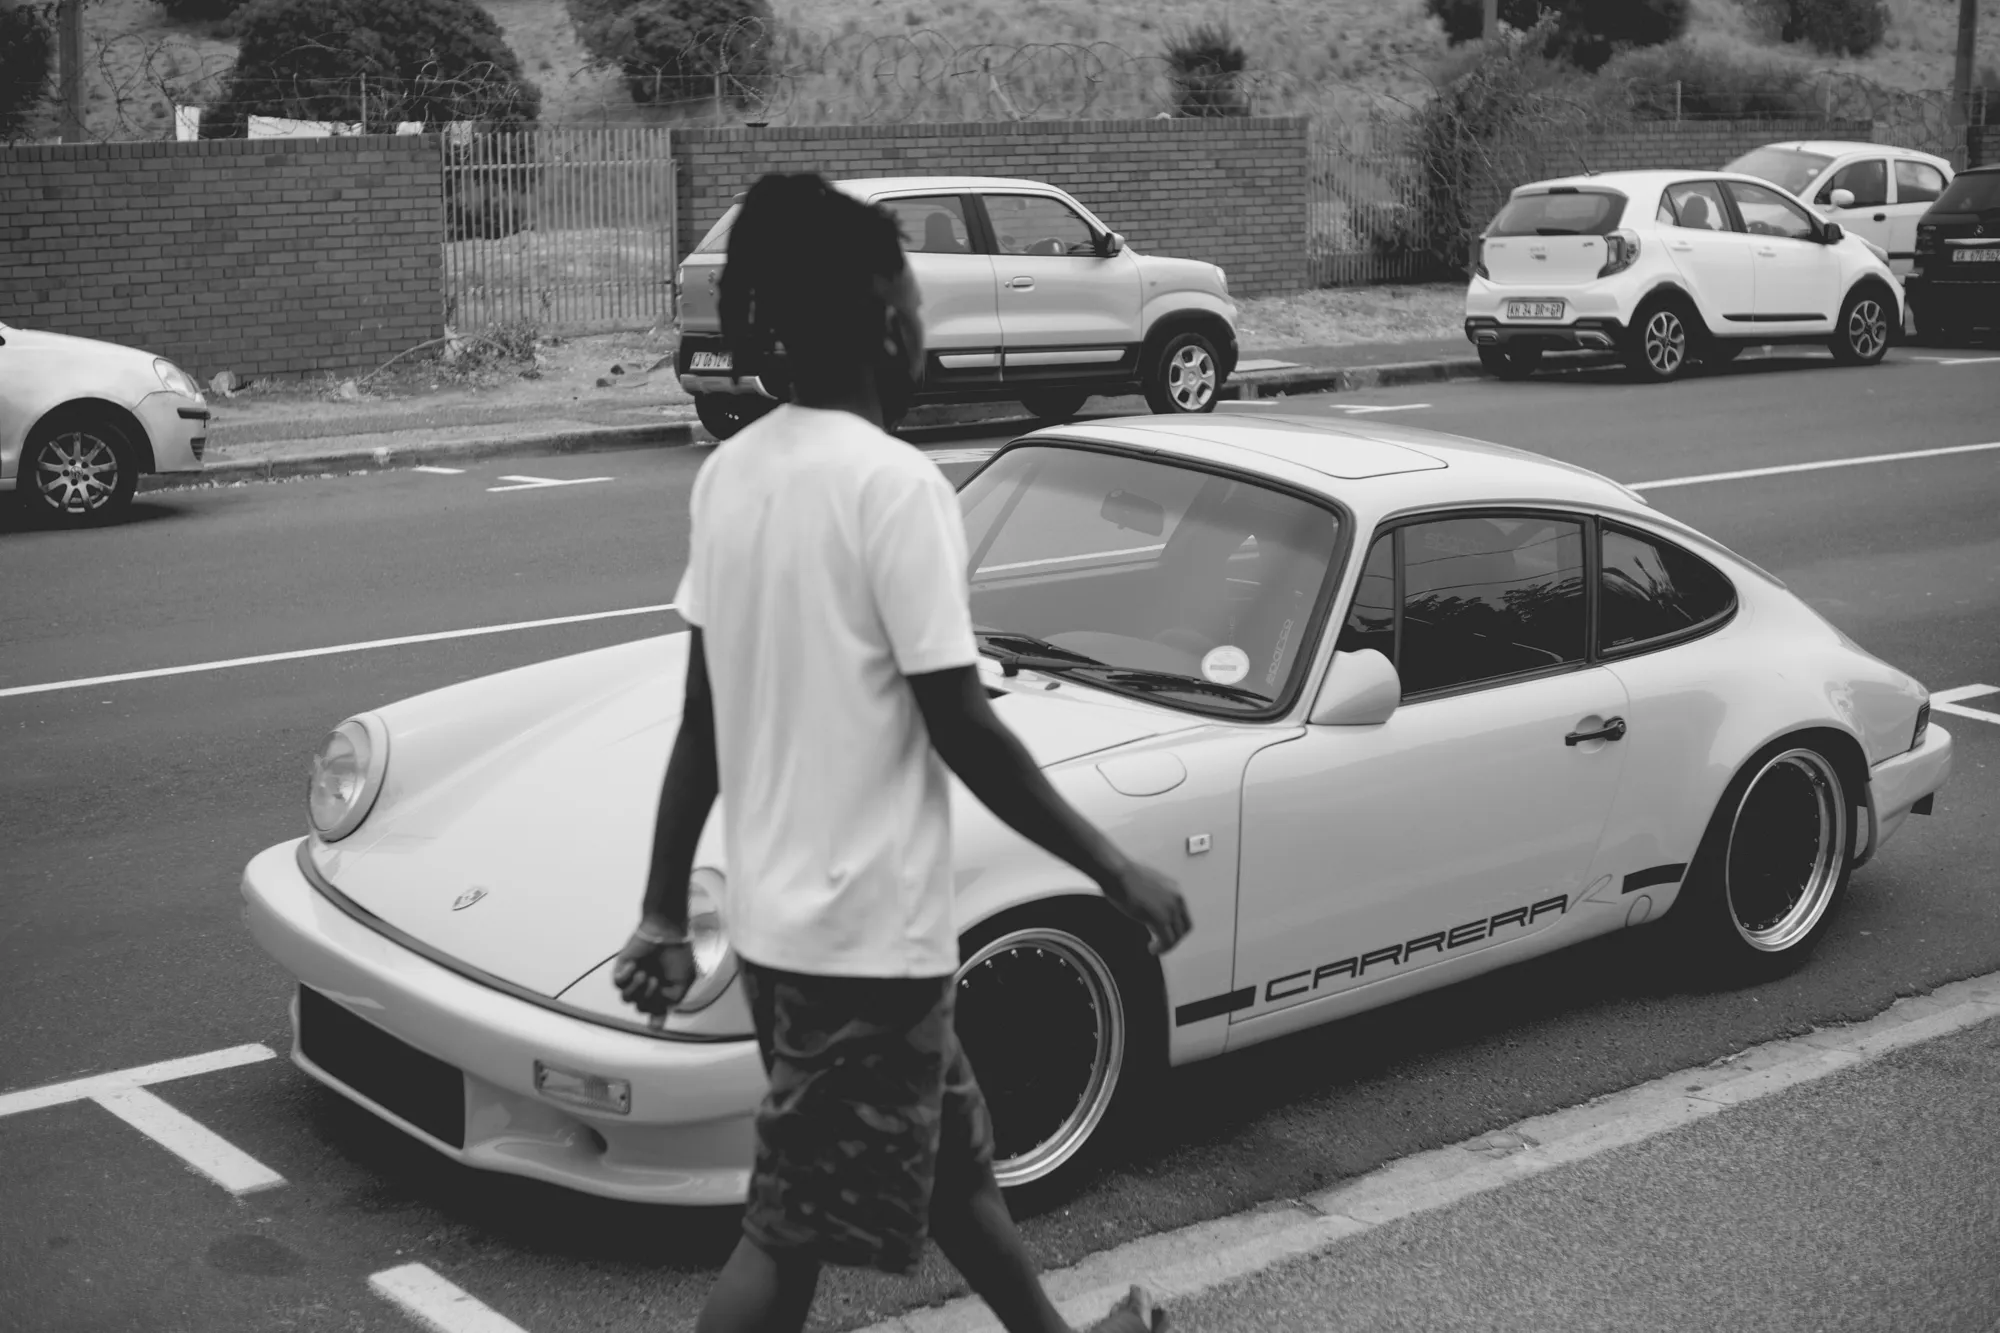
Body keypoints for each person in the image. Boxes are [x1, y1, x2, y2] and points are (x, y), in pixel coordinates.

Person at [611, 173, 1193, 1333]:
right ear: (884, 324)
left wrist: (664, 914)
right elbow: (960, 722)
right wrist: (1111, 866)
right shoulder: (896, 487)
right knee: (784, 1235)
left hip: (801, 938)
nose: (925, 329)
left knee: (951, 1168)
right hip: (860, 949)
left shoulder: (735, 474)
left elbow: (702, 720)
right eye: (917, 304)